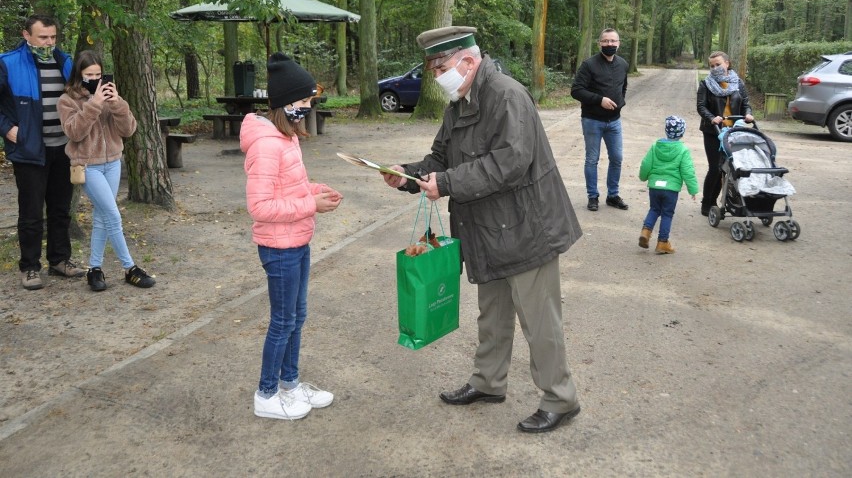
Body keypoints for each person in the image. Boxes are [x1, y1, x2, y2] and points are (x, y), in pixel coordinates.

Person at [381, 26, 583, 434]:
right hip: (489, 231)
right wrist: (406, 175)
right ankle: (488, 382)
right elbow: (440, 157)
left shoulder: (507, 95)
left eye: (441, 66)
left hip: (528, 228)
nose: (437, 75)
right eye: (434, 68)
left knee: (540, 321)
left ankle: (560, 399)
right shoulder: (459, 102)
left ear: (468, 61)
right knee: (492, 314)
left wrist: (449, 184)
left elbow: (511, 161)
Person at [241, 52, 343, 421]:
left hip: (298, 242)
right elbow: (261, 207)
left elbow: (291, 186)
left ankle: (290, 384)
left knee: (296, 317)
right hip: (279, 248)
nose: (308, 108)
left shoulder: (286, 139)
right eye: (304, 102)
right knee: (283, 321)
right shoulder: (267, 145)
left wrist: (316, 189)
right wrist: (310, 205)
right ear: (286, 104)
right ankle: (266, 393)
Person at [0, 14, 87, 290]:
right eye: (42, 37)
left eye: (53, 37)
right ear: (27, 35)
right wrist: (8, 129)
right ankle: (29, 267)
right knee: (31, 213)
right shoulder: (8, 63)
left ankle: (60, 261)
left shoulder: (65, 62)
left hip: (63, 149)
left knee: (61, 210)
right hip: (29, 151)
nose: (49, 42)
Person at [57, 50, 156, 291]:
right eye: (89, 75)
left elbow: (129, 130)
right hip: (87, 165)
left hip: (113, 162)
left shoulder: (111, 97)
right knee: (112, 215)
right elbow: (74, 133)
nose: (94, 79)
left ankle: (94, 269)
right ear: (79, 75)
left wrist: (116, 103)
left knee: (102, 217)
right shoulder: (67, 100)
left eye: (98, 74)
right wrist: (93, 105)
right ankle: (130, 268)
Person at [570, 28, 630, 212]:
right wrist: (599, 100)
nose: (610, 44)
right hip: (592, 120)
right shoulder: (589, 65)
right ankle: (592, 196)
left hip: (614, 122)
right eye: (606, 41)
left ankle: (612, 195)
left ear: (619, 43)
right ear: (600, 43)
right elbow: (576, 90)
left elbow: (623, 87)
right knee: (592, 159)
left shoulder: (623, 64)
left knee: (617, 158)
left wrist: (620, 102)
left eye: (613, 41)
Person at [696, 50, 753, 216]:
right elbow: (701, 106)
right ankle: (707, 202)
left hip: (734, 131)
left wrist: (748, 113)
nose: (715, 68)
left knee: (728, 169)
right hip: (713, 131)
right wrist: (712, 117)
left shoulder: (738, 83)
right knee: (715, 167)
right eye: (712, 66)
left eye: (718, 64)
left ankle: (727, 199)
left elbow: (745, 104)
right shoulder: (706, 84)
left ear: (727, 63)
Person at [638, 115, 699, 254]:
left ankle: (646, 232)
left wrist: (643, 177)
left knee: (654, 209)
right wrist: (693, 189)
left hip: (654, 187)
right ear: (682, 133)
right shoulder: (683, 150)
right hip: (671, 189)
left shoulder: (655, 146)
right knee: (667, 214)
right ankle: (662, 242)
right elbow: (688, 171)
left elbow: (646, 164)